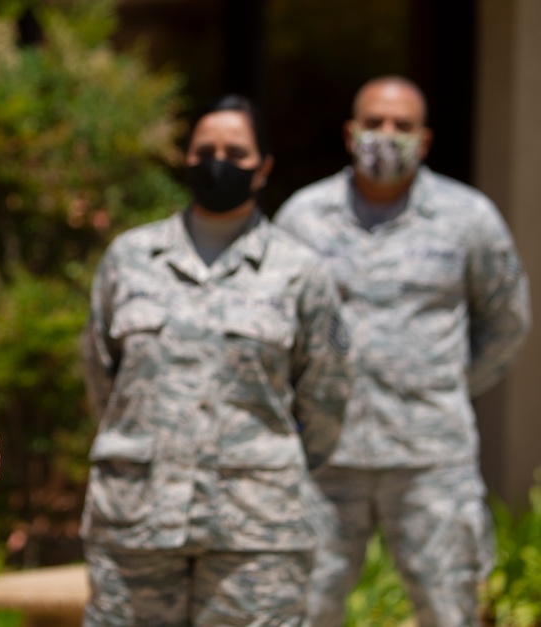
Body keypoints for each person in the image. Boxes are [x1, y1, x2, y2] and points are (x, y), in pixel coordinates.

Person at [79, 94, 352, 626]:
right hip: (137, 523)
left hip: (256, 533)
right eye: (206, 149)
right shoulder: (130, 258)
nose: (218, 161)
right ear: (187, 158)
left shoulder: (300, 271)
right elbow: (102, 380)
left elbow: (327, 398)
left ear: (264, 167)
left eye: (236, 151)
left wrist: (264, 463)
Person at [275, 75, 532, 626]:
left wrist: (444, 385)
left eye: (402, 125)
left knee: (449, 609)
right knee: (302, 608)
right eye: (373, 122)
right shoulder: (302, 217)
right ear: (349, 132)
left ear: (425, 138)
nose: (386, 135)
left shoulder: (470, 218)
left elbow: (507, 320)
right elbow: (275, 323)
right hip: (327, 458)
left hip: (430, 460)